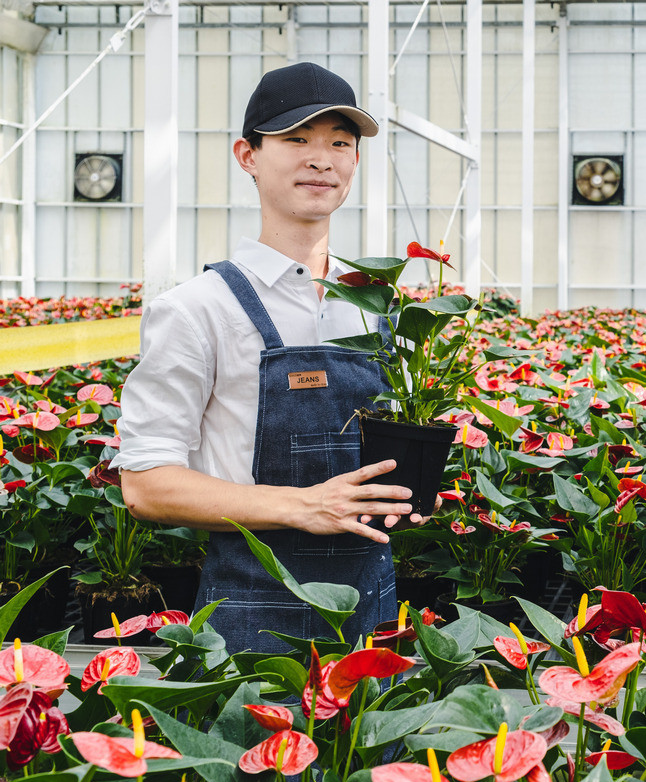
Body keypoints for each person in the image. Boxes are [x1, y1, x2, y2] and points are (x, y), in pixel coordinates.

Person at [111, 62, 425, 654]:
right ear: (248, 155)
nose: (321, 158)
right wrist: (302, 506)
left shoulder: (379, 308)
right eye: (296, 140)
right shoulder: (197, 309)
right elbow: (146, 486)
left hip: (377, 612)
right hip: (252, 617)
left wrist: (411, 497)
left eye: (340, 142)